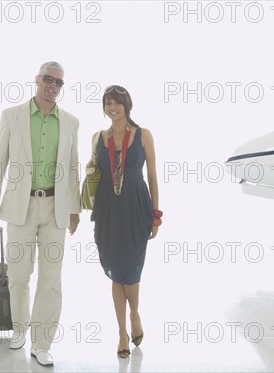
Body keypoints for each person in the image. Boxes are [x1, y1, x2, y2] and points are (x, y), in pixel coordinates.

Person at [0, 61, 81, 366]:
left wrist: (75, 210)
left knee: (51, 279)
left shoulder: (71, 122)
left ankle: (42, 342)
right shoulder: (12, 117)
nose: (53, 85)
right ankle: (20, 329)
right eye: (48, 79)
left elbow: (73, 167)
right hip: (19, 207)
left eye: (59, 82)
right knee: (19, 275)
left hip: (55, 208)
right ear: (37, 80)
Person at [90, 85, 161, 358]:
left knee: (131, 270)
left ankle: (135, 315)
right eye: (108, 103)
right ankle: (121, 331)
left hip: (136, 208)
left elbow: (153, 177)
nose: (112, 108)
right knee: (115, 270)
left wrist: (156, 215)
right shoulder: (97, 136)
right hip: (108, 210)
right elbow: (93, 176)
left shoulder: (144, 135)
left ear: (127, 104)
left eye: (117, 103)